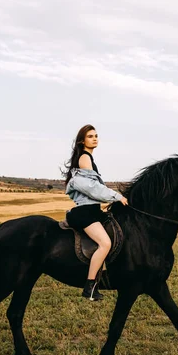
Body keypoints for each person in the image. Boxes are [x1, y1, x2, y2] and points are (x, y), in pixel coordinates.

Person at [63, 124, 129, 301]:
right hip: (85, 213)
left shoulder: (88, 158)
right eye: (90, 136)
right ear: (82, 141)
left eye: (96, 135)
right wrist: (116, 196)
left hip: (93, 210)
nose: (95, 138)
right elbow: (92, 188)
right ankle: (90, 286)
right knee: (105, 243)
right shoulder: (84, 158)